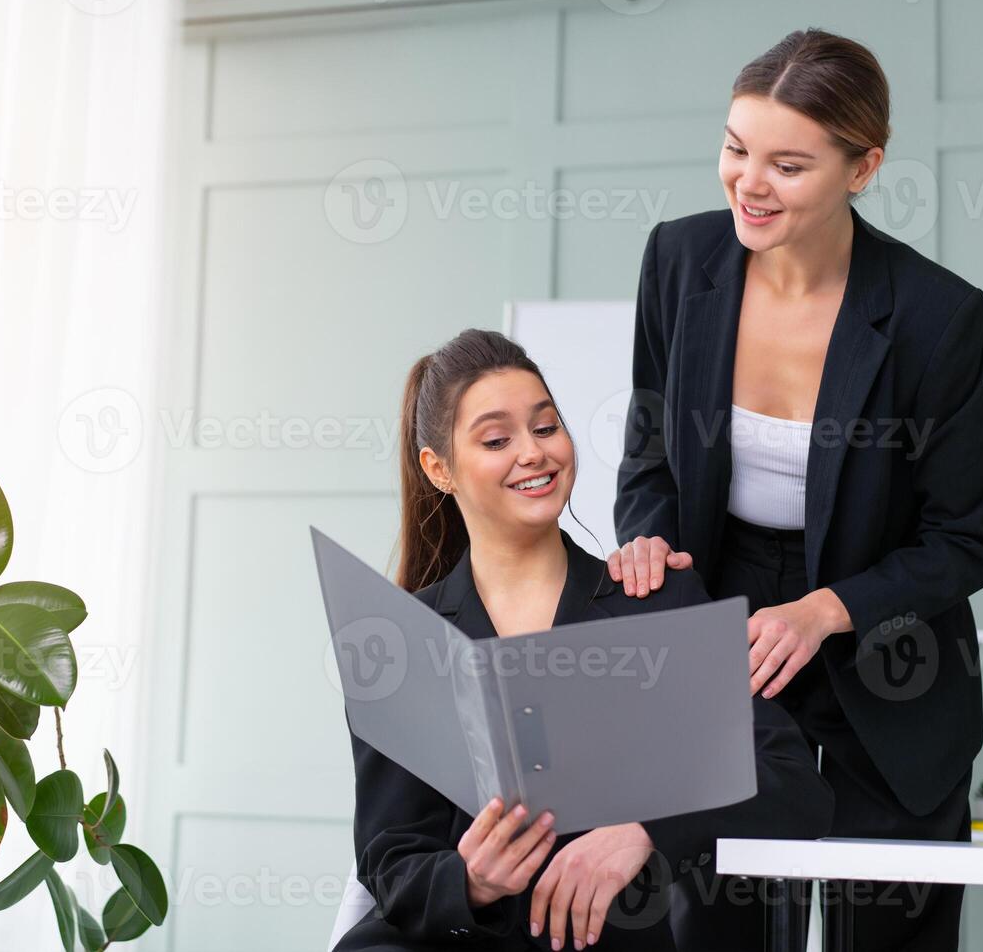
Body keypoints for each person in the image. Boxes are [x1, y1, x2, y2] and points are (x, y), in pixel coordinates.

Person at [609, 29, 983, 951]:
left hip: (886, 635)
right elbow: (651, 456)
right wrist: (649, 544)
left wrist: (824, 610)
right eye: (735, 148)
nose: (749, 183)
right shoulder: (678, 261)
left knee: (889, 927)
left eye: (788, 164)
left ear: (862, 167)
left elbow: (965, 538)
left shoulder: (938, 316)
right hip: (726, 623)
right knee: (715, 920)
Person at [335, 327, 834, 952]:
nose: (534, 453)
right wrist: (471, 881)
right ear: (439, 470)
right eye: (496, 439)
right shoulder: (404, 642)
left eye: (546, 428)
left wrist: (647, 829)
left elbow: (793, 782)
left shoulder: (652, 605)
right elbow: (390, 858)